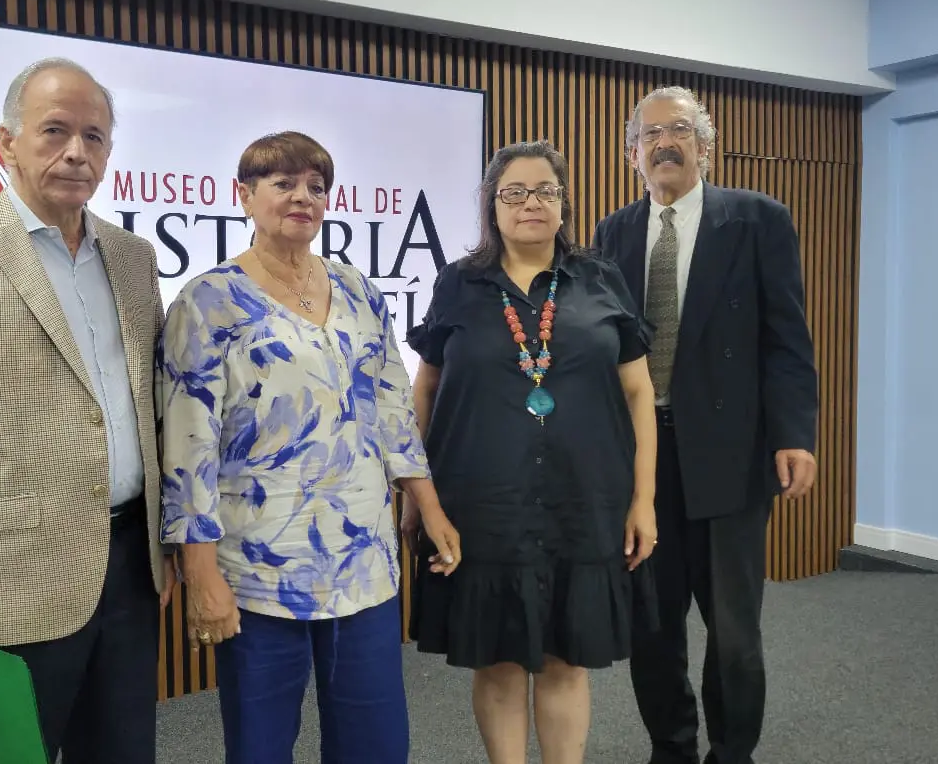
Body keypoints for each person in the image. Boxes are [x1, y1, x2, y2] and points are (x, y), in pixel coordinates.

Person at [0, 57, 174, 764]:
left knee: (124, 754)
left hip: (134, 567)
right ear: (8, 141)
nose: (78, 151)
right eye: (55, 131)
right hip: (14, 579)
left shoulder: (133, 258)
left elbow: (148, 408)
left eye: (95, 136)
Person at [157, 130, 462, 764]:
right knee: (262, 747)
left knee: (374, 743)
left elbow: (391, 408)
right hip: (260, 565)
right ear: (244, 195)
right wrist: (200, 570)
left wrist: (429, 507)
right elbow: (188, 446)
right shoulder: (207, 302)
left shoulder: (356, 290)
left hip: (363, 558)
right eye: (283, 183)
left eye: (316, 187)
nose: (303, 197)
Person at [404, 140, 660, 764]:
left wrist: (644, 499)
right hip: (482, 503)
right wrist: (416, 493)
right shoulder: (459, 283)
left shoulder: (601, 279)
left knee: (567, 659)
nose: (530, 204)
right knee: (497, 660)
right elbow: (425, 388)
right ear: (492, 205)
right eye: (513, 193)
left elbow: (638, 391)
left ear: (563, 202)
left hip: (585, 498)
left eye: (545, 191)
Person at [590, 86, 819, 764]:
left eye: (680, 130)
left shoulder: (758, 220)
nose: (666, 142)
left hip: (730, 454)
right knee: (653, 626)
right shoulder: (615, 232)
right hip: (642, 460)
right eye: (651, 133)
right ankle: (673, 747)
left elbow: (788, 340)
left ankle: (732, 751)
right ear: (633, 153)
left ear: (705, 145)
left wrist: (795, 432)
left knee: (734, 630)